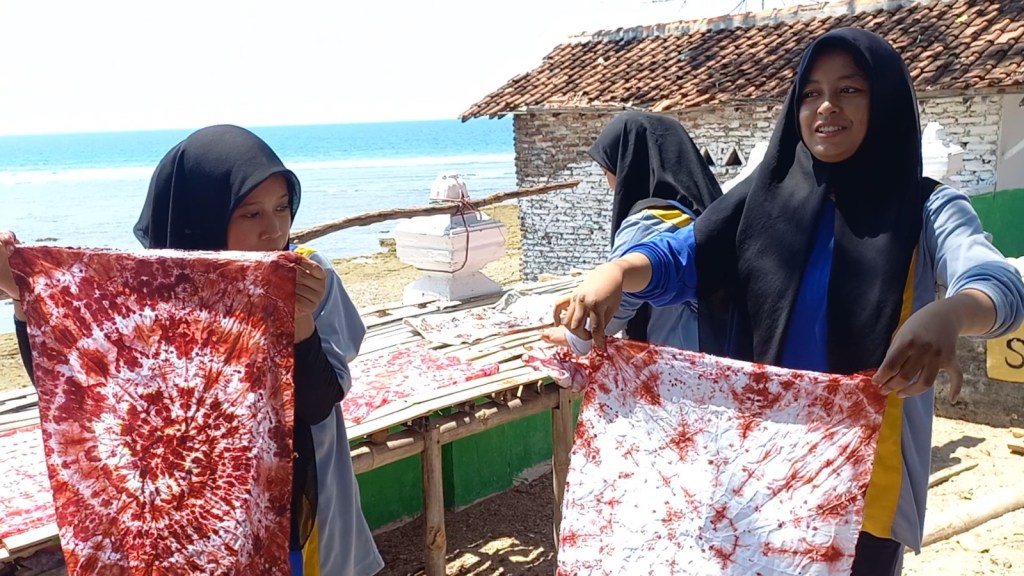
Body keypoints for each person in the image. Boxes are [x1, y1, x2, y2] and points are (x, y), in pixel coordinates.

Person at [558, 28, 1024, 575]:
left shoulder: (925, 208)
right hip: (759, 468)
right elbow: (684, 259)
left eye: (850, 90)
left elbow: (996, 280)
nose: (826, 107)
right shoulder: (759, 203)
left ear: (886, 101)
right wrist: (618, 271)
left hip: (863, 476)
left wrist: (952, 312)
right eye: (810, 93)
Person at [0, 125, 384, 576]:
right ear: (201, 214)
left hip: (296, 502)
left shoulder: (308, 279)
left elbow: (317, 404)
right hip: (189, 512)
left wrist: (298, 321)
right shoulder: (152, 296)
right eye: (250, 213)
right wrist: (29, 299)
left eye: (282, 208)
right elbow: (78, 392)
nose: (274, 230)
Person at [543, 111, 722, 355]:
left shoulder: (647, 221)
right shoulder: (703, 212)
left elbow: (610, 314)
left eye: (608, 168)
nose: (608, 178)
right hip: (716, 346)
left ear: (628, 165)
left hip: (673, 358)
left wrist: (570, 336)